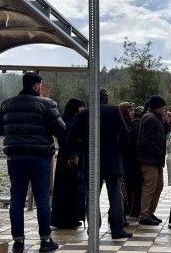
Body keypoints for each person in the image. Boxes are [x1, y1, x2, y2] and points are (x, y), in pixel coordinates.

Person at [0, 72, 67, 253]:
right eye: (40, 86)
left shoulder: (7, 104)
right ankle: (45, 240)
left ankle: (18, 242)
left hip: (15, 157)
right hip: (39, 156)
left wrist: (16, 133)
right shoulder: (47, 104)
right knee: (42, 197)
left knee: (16, 198)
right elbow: (60, 129)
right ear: (36, 86)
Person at [68, 88, 132, 239]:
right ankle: (117, 230)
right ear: (106, 98)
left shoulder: (83, 114)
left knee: (92, 198)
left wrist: (76, 154)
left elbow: (70, 138)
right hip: (112, 161)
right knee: (115, 196)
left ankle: (94, 230)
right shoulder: (114, 111)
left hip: (90, 161)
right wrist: (118, 150)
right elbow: (125, 134)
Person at [51, 98, 86, 229]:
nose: (81, 109)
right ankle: (62, 218)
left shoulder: (74, 120)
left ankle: (72, 217)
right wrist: (72, 155)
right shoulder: (66, 120)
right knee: (65, 189)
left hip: (72, 158)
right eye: (80, 107)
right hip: (68, 159)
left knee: (73, 189)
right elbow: (64, 140)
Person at [137, 95, 168, 226]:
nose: (165, 109)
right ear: (158, 107)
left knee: (158, 186)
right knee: (149, 187)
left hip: (155, 160)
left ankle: (149, 211)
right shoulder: (150, 118)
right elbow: (147, 140)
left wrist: (166, 123)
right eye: (163, 107)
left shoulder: (156, 118)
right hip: (149, 160)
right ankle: (144, 215)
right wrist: (158, 152)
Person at [119, 102, 142, 220]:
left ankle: (125, 213)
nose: (133, 112)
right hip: (125, 161)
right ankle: (119, 214)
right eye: (130, 110)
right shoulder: (122, 123)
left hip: (130, 160)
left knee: (130, 187)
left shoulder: (129, 122)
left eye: (133, 110)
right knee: (124, 189)